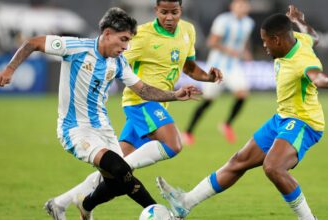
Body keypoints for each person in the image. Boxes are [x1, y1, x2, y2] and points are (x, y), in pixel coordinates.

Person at [0, 7, 202, 220]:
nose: (126, 47)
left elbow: (144, 90)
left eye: (128, 41)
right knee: (120, 169)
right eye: (123, 40)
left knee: (119, 184)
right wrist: (9, 70)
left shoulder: (118, 62)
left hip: (103, 128)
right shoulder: (76, 47)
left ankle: (84, 205)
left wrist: (175, 95)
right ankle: (162, 213)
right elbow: (33, 42)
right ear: (107, 33)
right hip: (75, 129)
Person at [157, 5, 328, 220]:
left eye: (265, 41)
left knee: (273, 167)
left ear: (278, 40)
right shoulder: (301, 40)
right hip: (282, 118)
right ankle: (185, 203)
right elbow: (313, 36)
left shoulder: (303, 61)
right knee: (239, 161)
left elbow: (317, 77)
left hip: (304, 123)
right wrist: (300, 20)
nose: (263, 46)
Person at [42, 0, 222, 219]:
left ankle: (66, 203)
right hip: (140, 101)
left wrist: (209, 77)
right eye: (164, 12)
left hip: (158, 104)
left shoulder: (188, 30)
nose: (169, 17)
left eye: (174, 12)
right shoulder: (142, 36)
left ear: (181, 11)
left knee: (115, 174)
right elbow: (114, 58)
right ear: (156, 10)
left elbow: (189, 66)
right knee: (173, 144)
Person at [182, 0, 254, 145]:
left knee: (243, 94)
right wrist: (230, 50)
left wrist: (246, 52)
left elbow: (244, 41)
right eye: (239, 4)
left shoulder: (248, 22)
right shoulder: (223, 20)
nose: (242, 7)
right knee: (208, 100)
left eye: (244, 4)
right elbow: (211, 42)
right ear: (232, 6)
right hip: (217, 66)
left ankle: (226, 124)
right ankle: (188, 132)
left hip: (234, 66)